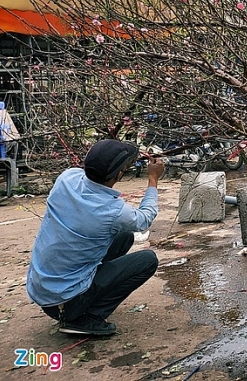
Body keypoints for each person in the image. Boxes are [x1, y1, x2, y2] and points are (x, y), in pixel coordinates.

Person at [27, 139, 165, 336]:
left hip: (43, 291)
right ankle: (82, 318)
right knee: (147, 260)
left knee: (124, 236)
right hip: (63, 301)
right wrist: (153, 179)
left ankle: (80, 301)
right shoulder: (113, 211)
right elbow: (144, 218)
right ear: (118, 174)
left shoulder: (66, 179)